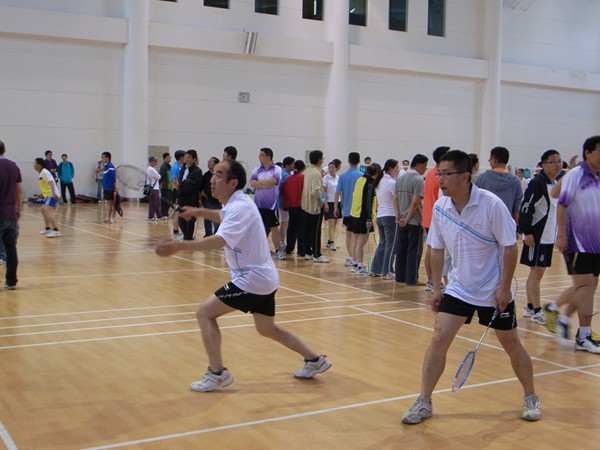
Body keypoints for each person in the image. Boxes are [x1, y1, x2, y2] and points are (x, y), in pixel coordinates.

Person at [155, 159, 331, 391]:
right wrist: (198, 211)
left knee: (205, 314)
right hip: (264, 278)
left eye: (219, 175)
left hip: (251, 279)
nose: (212, 179)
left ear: (233, 182)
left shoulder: (239, 207)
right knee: (266, 328)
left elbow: (220, 240)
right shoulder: (237, 202)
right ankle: (314, 360)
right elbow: (223, 216)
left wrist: (180, 246)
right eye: (213, 174)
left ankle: (217, 373)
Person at [401, 150, 541, 425]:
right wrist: (437, 288)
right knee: (439, 339)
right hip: (458, 289)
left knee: (511, 344)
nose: (440, 179)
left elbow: (510, 247)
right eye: (439, 173)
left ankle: (531, 396)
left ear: (465, 176)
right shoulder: (441, 207)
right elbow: (436, 249)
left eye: (446, 174)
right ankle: (424, 400)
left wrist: (504, 288)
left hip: (493, 291)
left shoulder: (491, 204)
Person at [552, 136, 600, 353]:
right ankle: (577, 330)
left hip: (596, 243)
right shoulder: (576, 175)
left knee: (588, 288)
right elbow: (561, 205)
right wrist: (562, 236)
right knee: (586, 285)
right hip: (577, 241)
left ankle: (571, 324)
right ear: (588, 153)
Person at [519, 149, 562, 325]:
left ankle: (531, 306)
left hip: (548, 236)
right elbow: (525, 207)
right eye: (553, 161)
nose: (557, 165)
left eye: (559, 161)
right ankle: (537, 311)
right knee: (536, 271)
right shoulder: (537, 183)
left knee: (539, 271)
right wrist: (527, 231)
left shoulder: (555, 183)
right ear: (543, 165)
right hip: (537, 235)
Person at [394, 154, 428, 285]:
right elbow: (415, 202)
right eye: (425, 165)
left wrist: (398, 216)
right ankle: (412, 279)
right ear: (418, 164)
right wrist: (408, 219)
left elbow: (395, 199)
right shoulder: (418, 180)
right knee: (414, 251)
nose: (425, 168)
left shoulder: (400, 179)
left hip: (401, 220)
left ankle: (400, 277)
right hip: (413, 221)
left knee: (401, 250)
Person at [423, 146, 450, 291]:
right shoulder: (440, 176)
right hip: (436, 218)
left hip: (429, 216)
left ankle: (431, 280)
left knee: (431, 249)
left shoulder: (430, 174)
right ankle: (434, 281)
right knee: (435, 251)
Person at [250, 148, 285, 260]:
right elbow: (252, 183)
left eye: (261, 155)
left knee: (274, 228)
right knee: (258, 228)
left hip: (271, 205)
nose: (259, 157)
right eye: (259, 155)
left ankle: (278, 250)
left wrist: (260, 183)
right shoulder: (256, 169)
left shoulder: (277, 169)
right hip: (258, 205)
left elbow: (274, 181)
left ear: (268, 157)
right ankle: (259, 250)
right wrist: (265, 184)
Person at [347, 163, 382, 275]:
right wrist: (369, 218)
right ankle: (360, 266)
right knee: (361, 243)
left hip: (354, 214)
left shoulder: (360, 180)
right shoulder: (370, 184)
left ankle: (355, 264)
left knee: (355, 241)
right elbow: (368, 202)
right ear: (377, 173)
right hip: (363, 216)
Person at [475, 146, 523, 226]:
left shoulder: (482, 178)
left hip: (485, 224)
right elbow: (517, 207)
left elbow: (475, 201)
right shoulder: (516, 181)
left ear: (494, 160)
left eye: (490, 159)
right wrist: (514, 227)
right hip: (506, 224)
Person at [371, 159, 400, 279]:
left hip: (380, 216)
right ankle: (387, 271)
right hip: (390, 216)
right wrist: (398, 215)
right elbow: (395, 200)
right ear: (391, 168)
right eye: (397, 168)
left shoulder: (380, 181)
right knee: (391, 245)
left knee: (383, 243)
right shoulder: (392, 183)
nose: (398, 170)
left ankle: (376, 269)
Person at [0, 139, 22, 290]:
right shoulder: (13, 166)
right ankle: (11, 281)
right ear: (4, 150)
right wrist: (18, 209)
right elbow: (19, 190)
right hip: (11, 214)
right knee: (11, 249)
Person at [334, 152, 363, 267]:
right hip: (358, 211)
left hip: (346, 211)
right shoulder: (362, 176)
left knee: (348, 235)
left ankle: (350, 257)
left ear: (349, 161)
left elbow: (337, 192)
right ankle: (355, 259)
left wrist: (335, 207)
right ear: (359, 161)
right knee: (357, 237)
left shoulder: (342, 176)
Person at [302, 150, 329, 263]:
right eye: (322, 158)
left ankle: (308, 252)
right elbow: (316, 191)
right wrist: (320, 203)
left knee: (307, 230)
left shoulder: (307, 170)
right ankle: (317, 254)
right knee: (316, 231)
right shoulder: (316, 174)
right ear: (319, 160)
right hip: (314, 207)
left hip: (305, 205)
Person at [282, 160, 306, 256]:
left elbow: (283, 191)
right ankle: (301, 250)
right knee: (301, 228)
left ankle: (289, 248)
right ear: (303, 168)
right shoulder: (303, 178)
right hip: (301, 206)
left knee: (291, 227)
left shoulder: (289, 178)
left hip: (291, 206)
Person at [178, 150, 203, 240]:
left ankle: (188, 238)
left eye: (189, 157)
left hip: (191, 199)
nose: (187, 159)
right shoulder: (183, 169)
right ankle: (187, 236)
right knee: (181, 220)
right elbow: (180, 183)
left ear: (194, 159)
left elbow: (195, 185)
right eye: (186, 157)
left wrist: (185, 184)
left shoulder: (197, 171)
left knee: (190, 220)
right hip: (182, 199)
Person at [34, 157, 61, 237]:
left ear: (39, 165)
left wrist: (54, 193)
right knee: (43, 210)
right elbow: (45, 187)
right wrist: (40, 195)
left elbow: (51, 182)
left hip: (51, 195)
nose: (33, 165)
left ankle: (56, 231)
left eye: (35, 163)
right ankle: (47, 229)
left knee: (48, 210)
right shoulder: (41, 173)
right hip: (48, 195)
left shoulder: (44, 172)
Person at [201, 156, 222, 236]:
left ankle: (217, 235)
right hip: (207, 199)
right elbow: (202, 186)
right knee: (207, 218)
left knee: (216, 220)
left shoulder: (220, 174)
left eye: (210, 162)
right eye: (208, 162)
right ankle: (208, 235)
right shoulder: (206, 175)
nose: (208, 163)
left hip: (216, 200)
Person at [278, 156, 295, 250]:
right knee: (284, 223)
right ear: (287, 165)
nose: (294, 166)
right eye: (292, 164)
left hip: (283, 201)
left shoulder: (284, 173)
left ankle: (282, 242)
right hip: (284, 201)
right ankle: (282, 242)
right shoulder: (285, 175)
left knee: (284, 223)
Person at [322, 161, 340, 251]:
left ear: (336, 168)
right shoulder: (325, 178)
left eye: (332, 167)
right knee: (331, 223)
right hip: (329, 202)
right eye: (329, 168)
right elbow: (324, 192)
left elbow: (340, 191)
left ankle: (330, 240)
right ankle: (332, 242)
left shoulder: (338, 178)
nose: (331, 169)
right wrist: (325, 203)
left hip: (337, 201)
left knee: (335, 222)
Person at [170, 150, 186, 239]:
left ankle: (181, 231)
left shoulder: (182, 166)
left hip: (181, 192)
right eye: (185, 156)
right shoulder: (175, 167)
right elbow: (175, 181)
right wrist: (180, 191)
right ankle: (175, 231)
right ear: (181, 158)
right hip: (176, 192)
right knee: (176, 212)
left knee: (180, 212)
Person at [100, 152, 117, 223]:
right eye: (102, 157)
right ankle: (108, 217)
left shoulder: (110, 166)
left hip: (110, 188)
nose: (102, 159)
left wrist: (115, 186)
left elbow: (113, 177)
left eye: (103, 157)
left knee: (112, 203)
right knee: (109, 203)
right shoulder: (106, 167)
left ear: (107, 158)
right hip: (106, 188)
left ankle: (113, 217)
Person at [146, 156, 162, 221]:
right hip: (153, 188)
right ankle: (151, 216)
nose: (156, 162)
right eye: (155, 161)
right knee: (153, 203)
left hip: (155, 187)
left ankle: (159, 215)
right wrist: (158, 175)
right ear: (151, 161)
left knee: (157, 202)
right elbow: (158, 177)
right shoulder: (151, 169)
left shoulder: (152, 168)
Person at [159, 152, 172, 219]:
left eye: (170, 157)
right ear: (164, 158)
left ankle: (166, 213)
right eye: (168, 157)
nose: (170, 158)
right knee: (164, 201)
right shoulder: (163, 166)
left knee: (168, 201)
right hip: (164, 187)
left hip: (169, 187)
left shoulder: (169, 166)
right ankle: (163, 214)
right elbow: (160, 177)